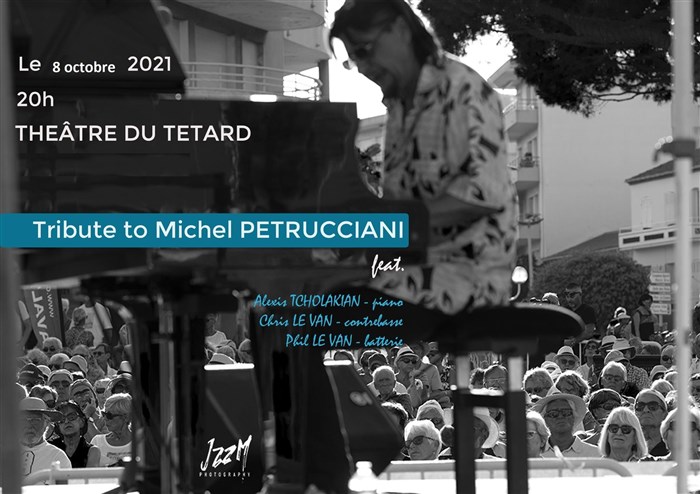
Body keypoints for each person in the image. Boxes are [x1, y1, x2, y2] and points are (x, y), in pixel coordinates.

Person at [329, 0, 517, 317]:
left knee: (324, 308)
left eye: (363, 50)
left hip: (467, 278)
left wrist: (380, 227)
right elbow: (400, 209)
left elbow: (478, 197)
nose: (362, 67)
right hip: (412, 269)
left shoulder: (462, 87)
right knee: (299, 299)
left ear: (401, 30)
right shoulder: (399, 106)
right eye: (353, 60)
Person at [532, 391, 599, 457]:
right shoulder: (534, 454)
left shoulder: (595, 454)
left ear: (574, 417)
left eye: (566, 413)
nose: (560, 416)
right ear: (544, 419)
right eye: (553, 414)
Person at [19, 397, 71, 480]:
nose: (29, 425)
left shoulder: (57, 457)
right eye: (23, 420)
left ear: (46, 423)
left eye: (35, 420)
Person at [50, 401, 101, 468]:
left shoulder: (92, 451)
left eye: (71, 417)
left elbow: (90, 474)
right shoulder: (51, 448)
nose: (66, 421)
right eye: (61, 420)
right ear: (58, 426)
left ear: (82, 422)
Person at [90, 393, 132, 466]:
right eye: (104, 414)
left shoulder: (140, 442)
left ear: (126, 417)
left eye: (109, 415)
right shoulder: (97, 441)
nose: (105, 418)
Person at [634, 389, 669, 457]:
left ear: (664, 414)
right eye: (640, 406)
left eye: (653, 406)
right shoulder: (628, 444)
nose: (646, 410)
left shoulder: (671, 446)